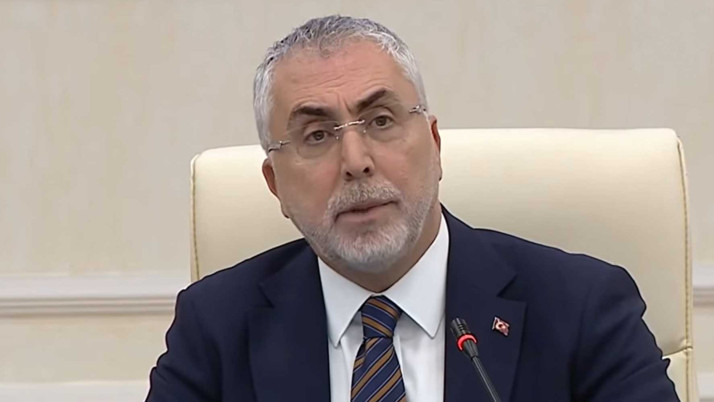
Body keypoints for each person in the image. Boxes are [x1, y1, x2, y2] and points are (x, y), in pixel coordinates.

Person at [146, 15, 679, 402]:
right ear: (275, 185)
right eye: (317, 135)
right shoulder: (215, 328)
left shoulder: (583, 310)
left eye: (380, 121)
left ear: (435, 145)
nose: (356, 162)